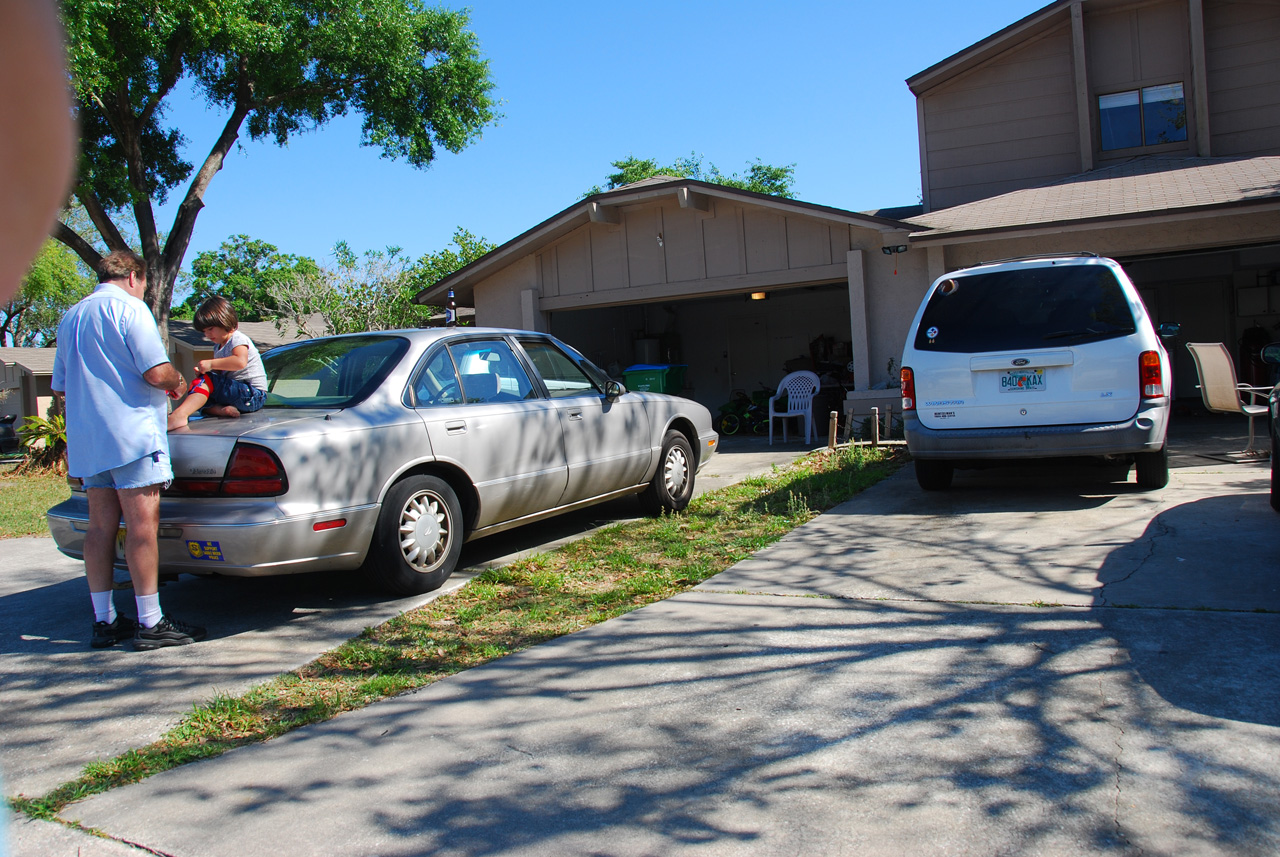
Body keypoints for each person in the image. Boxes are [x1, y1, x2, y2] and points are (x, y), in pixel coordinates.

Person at [52, 250, 207, 650]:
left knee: (100, 527)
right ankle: (151, 622)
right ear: (135, 276)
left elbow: (60, 386)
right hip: (132, 435)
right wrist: (175, 380)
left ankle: (104, 621)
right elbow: (156, 371)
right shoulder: (130, 310)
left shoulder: (71, 317)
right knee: (141, 527)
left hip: (90, 438)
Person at [167, 296, 268, 430]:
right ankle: (222, 410)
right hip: (238, 395)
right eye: (204, 331)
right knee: (197, 391)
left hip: (252, 393)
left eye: (210, 329)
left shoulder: (237, 338)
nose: (207, 335)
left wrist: (211, 364)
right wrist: (207, 373)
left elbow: (240, 362)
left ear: (224, 321)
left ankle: (179, 415)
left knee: (203, 384)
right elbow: (221, 374)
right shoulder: (218, 346)